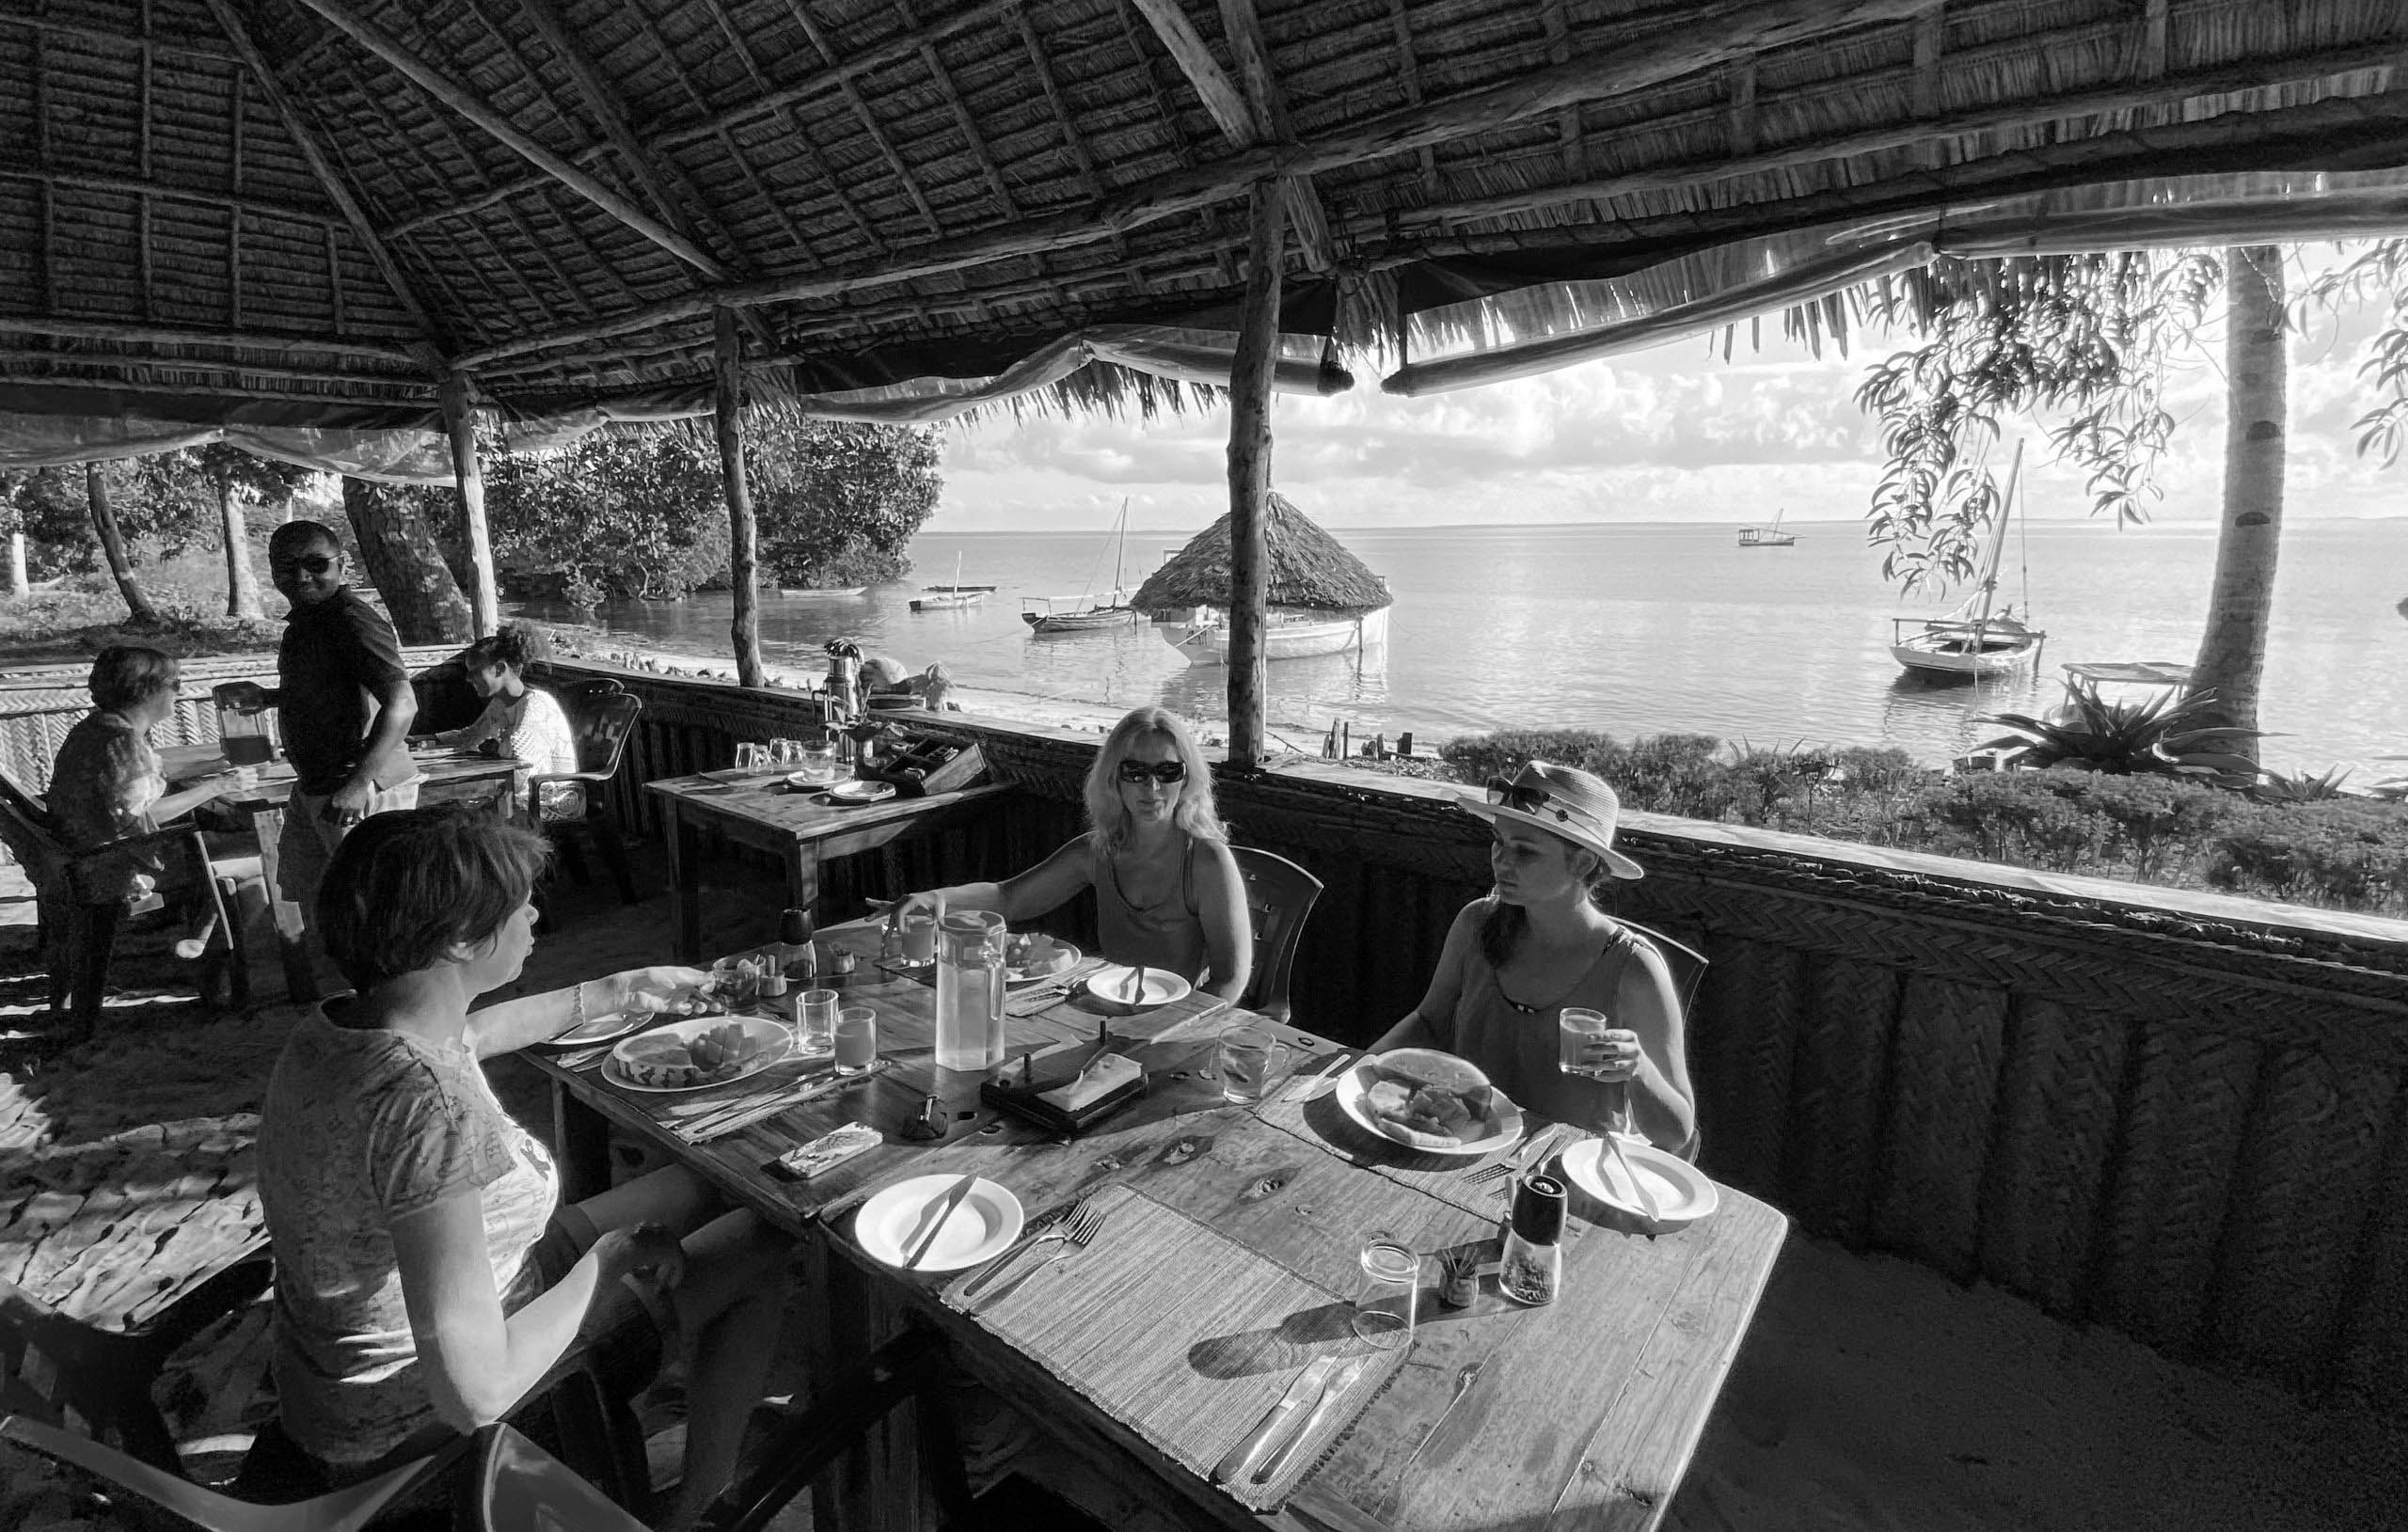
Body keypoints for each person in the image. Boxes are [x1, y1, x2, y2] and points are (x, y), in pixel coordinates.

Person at [254, 806, 789, 1532]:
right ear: (459, 939)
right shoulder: (428, 1108)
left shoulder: (346, 1028)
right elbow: (476, 1391)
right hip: (420, 1433)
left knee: (699, 1184)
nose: (535, 913)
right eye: (517, 904)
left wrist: (616, 992)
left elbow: (472, 1032)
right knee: (767, 1237)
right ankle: (698, 1511)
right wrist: (612, 1258)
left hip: (349, 1381)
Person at [1370, 760, 1695, 1149]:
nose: (1500, 861)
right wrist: (1360, 1071)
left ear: (1583, 862)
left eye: (1524, 851)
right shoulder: (1476, 924)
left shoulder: (1633, 968)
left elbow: (1676, 1134)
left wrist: (1638, 1069)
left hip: (1573, 1166)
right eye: (1498, 841)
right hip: (1466, 1143)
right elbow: (1428, 1020)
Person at [898, 706, 1251, 1000]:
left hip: (1176, 1017)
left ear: (1187, 779)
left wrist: (1173, 1028)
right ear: (1114, 779)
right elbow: (1009, 897)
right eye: (1135, 772)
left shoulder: (1207, 861)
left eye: (1168, 771)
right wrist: (933, 898)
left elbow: (1230, 980)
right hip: (1108, 1009)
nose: (1152, 787)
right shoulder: (1098, 851)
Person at [216, 521, 419, 964]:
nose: (303, 576)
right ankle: (349, 983)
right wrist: (271, 697)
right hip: (317, 780)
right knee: (313, 888)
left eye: (316, 564)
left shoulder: (350, 618)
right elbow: (335, 690)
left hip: (360, 785)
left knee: (375, 903)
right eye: (288, 567)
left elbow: (402, 704)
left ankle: (391, 997)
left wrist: (358, 784)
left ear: (341, 565)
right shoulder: (311, 621)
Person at [46, 644, 257, 901]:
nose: (180, 692)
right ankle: (212, 939)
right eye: (175, 684)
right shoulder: (124, 742)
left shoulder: (99, 727)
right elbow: (142, 815)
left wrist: (213, 766)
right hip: (117, 867)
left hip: (84, 854)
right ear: (148, 691)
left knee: (228, 840)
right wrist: (219, 786)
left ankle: (200, 938)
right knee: (261, 851)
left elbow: (141, 775)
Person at [420, 625, 581, 820]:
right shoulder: (500, 703)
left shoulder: (536, 703)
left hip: (549, 801)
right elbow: (471, 735)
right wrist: (429, 739)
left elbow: (521, 763)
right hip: (514, 795)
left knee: (456, 819)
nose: (469, 680)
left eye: (474, 673)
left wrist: (491, 746)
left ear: (500, 669)